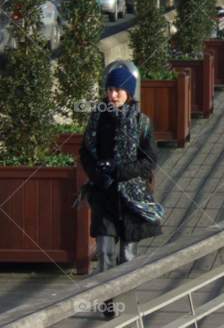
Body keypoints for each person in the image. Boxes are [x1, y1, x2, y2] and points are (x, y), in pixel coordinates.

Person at [79, 63, 163, 318]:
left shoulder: (141, 123)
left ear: (128, 93)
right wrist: (98, 175)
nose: (113, 95)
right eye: (110, 89)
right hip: (104, 196)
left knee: (128, 254)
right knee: (104, 251)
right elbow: (85, 152)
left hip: (132, 198)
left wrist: (118, 170)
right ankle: (108, 300)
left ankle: (126, 298)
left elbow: (149, 161)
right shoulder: (97, 118)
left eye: (118, 90)